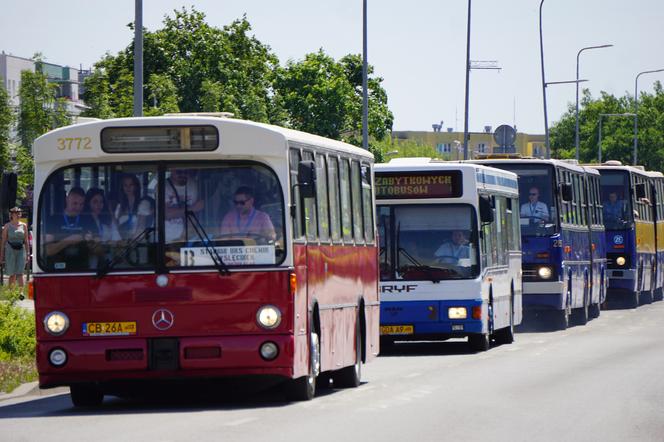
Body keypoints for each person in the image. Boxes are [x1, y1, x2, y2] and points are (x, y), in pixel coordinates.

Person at [44, 187, 90, 269]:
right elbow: (48, 251)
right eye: (75, 203)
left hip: (83, 268)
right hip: (58, 268)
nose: (78, 207)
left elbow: (96, 249)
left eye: (81, 204)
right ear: (67, 199)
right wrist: (68, 241)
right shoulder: (54, 220)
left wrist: (91, 242)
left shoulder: (87, 220)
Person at [83, 188, 120, 268]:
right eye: (95, 202)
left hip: (109, 264)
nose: (99, 205)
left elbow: (117, 239)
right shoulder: (84, 221)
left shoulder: (107, 220)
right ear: (88, 203)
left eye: (101, 202)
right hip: (90, 267)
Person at [165, 168, 204, 242]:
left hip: (187, 238)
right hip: (165, 239)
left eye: (185, 172)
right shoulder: (163, 186)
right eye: (179, 171)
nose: (182, 174)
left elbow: (193, 216)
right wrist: (192, 208)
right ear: (171, 170)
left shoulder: (194, 185)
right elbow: (166, 214)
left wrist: (185, 236)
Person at [0, 207, 29, 287]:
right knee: (12, 274)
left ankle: (21, 295)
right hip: (10, 251)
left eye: (19, 213)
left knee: (20, 273)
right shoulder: (7, 226)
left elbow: (26, 240)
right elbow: (3, 242)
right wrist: (1, 256)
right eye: (16, 213)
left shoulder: (24, 225)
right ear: (12, 215)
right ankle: (11, 294)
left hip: (21, 250)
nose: (18, 214)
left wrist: (28, 253)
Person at [114, 174, 141, 239]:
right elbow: (116, 227)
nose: (128, 187)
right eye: (125, 185)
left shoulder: (141, 204)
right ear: (122, 187)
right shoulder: (119, 206)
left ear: (135, 186)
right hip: (123, 242)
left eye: (131, 185)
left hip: (138, 240)